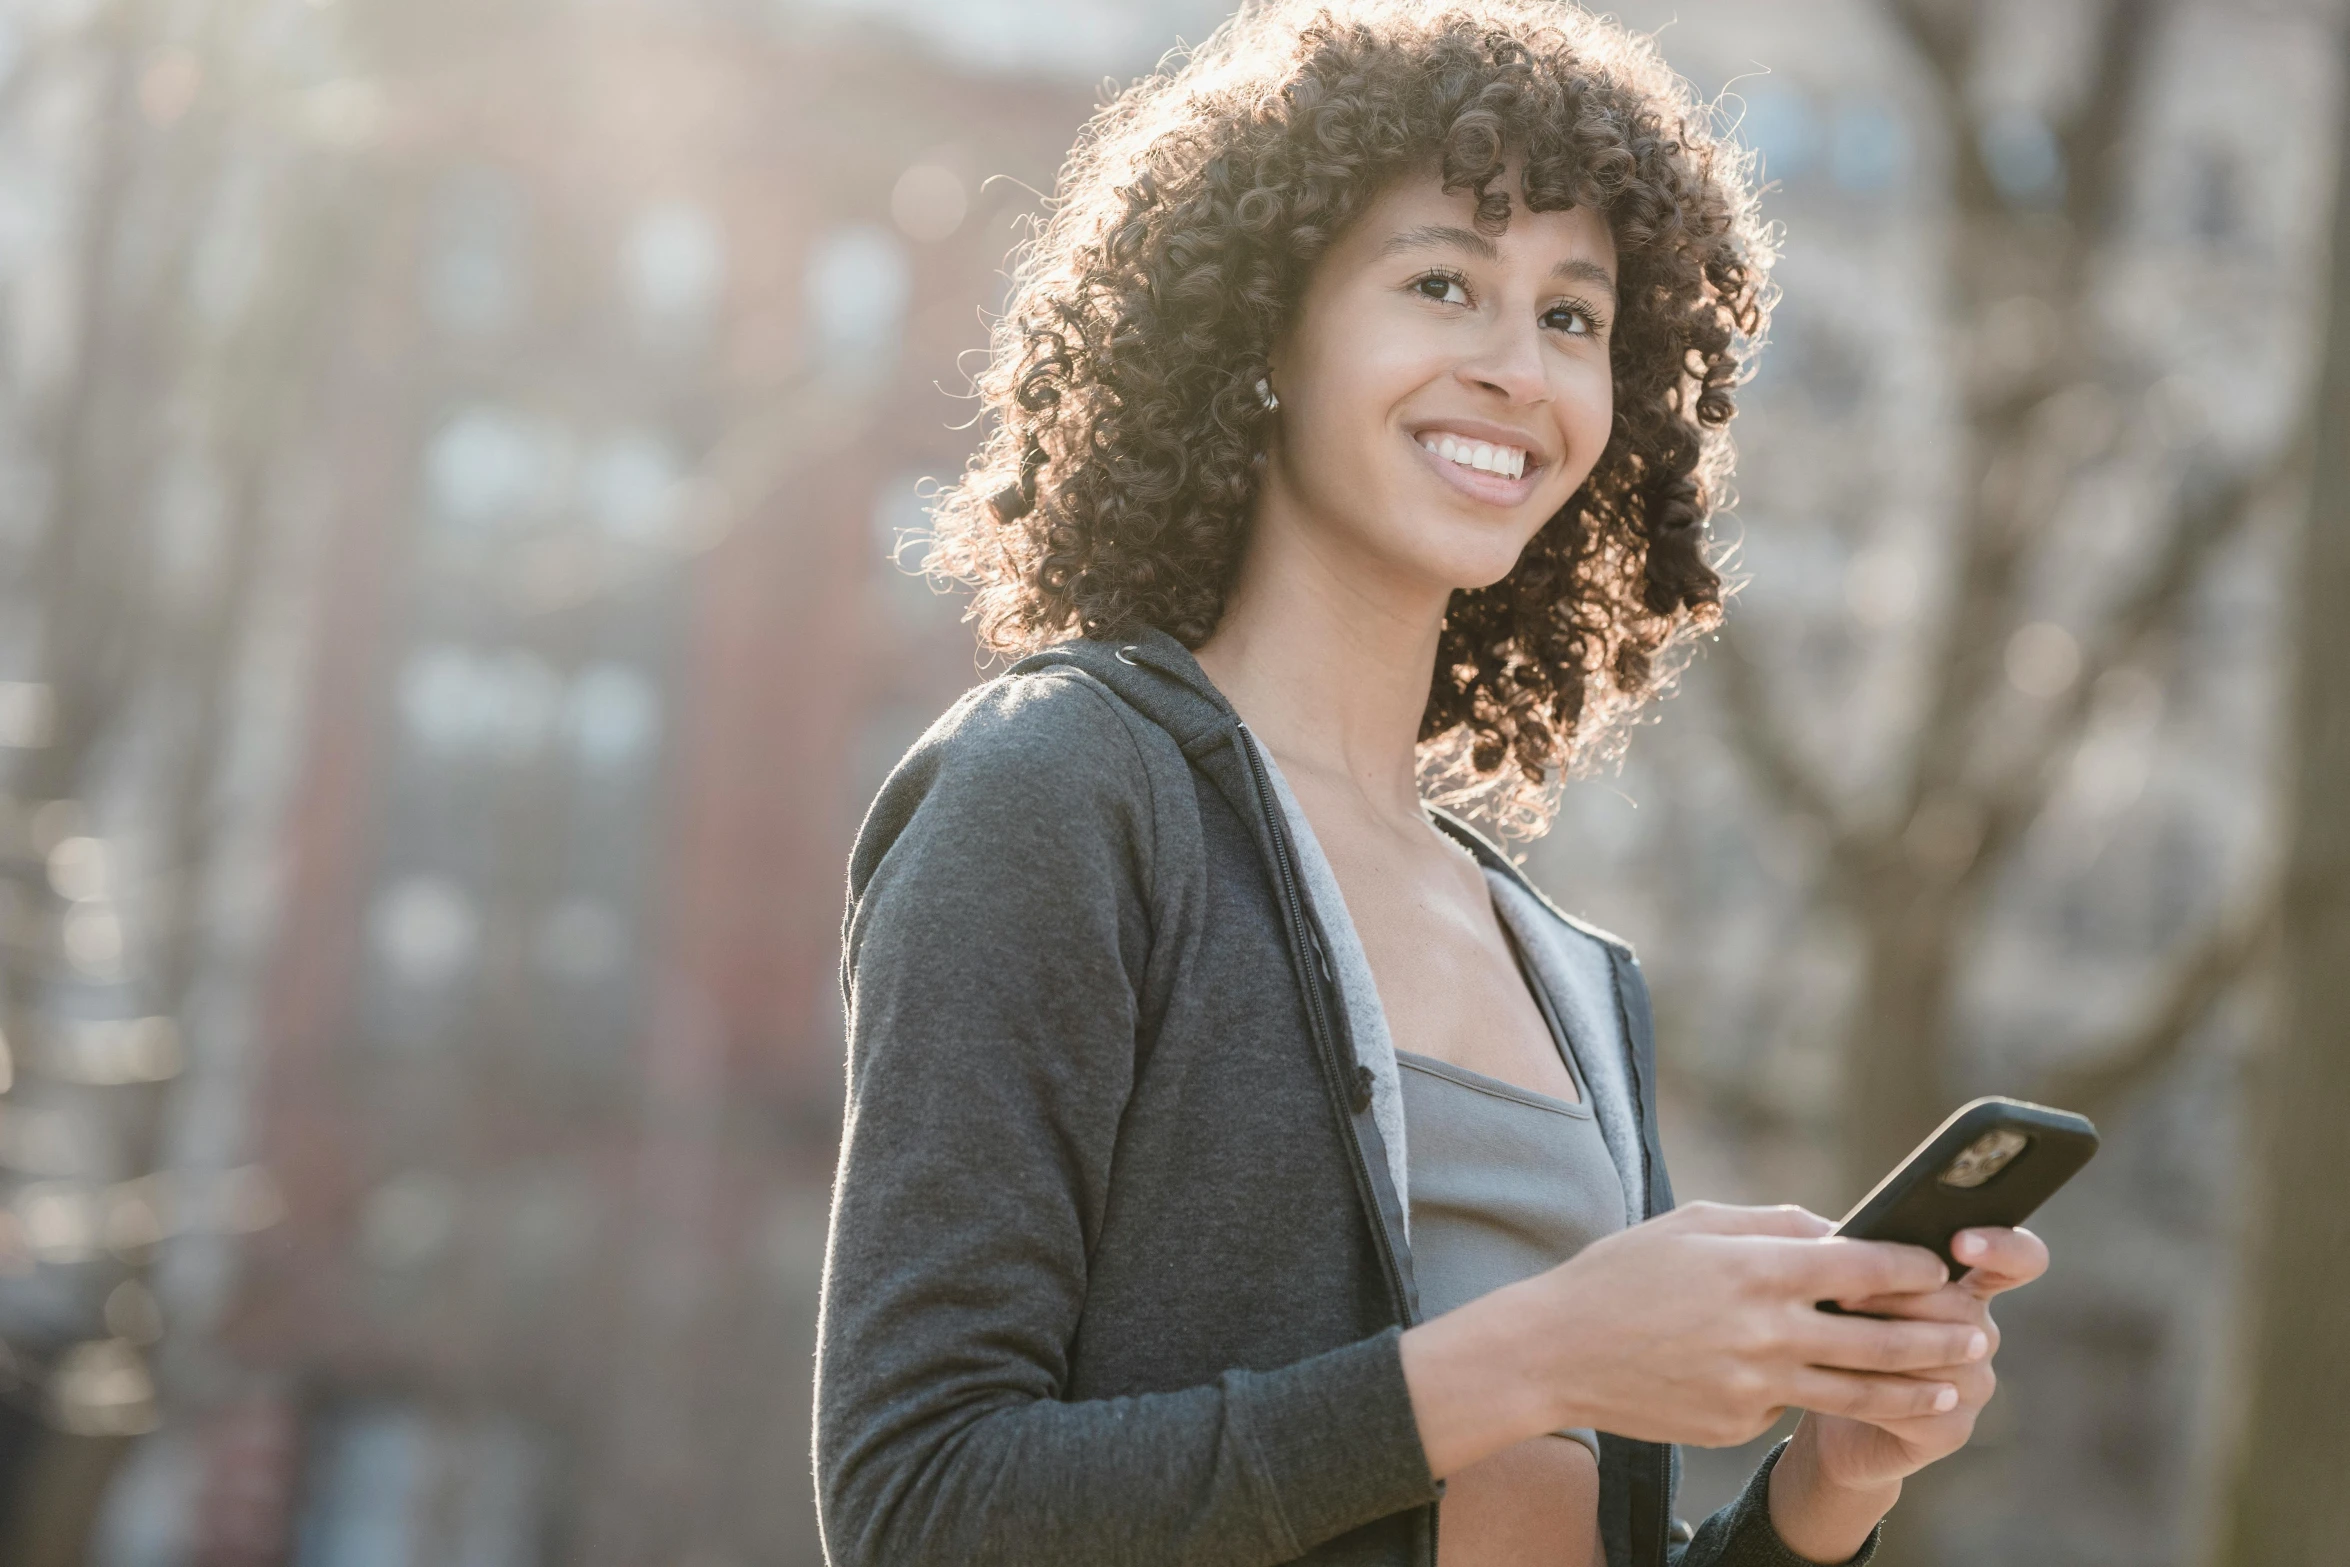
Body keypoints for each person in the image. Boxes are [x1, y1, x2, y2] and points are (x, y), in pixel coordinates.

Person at [815, 4, 2048, 1564]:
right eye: (1441, 283)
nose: (1514, 369)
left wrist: (1827, 1488)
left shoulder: (1565, 968)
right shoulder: (1058, 791)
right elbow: (920, 1505)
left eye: (1572, 316)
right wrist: (1540, 1352)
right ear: (1263, 328)